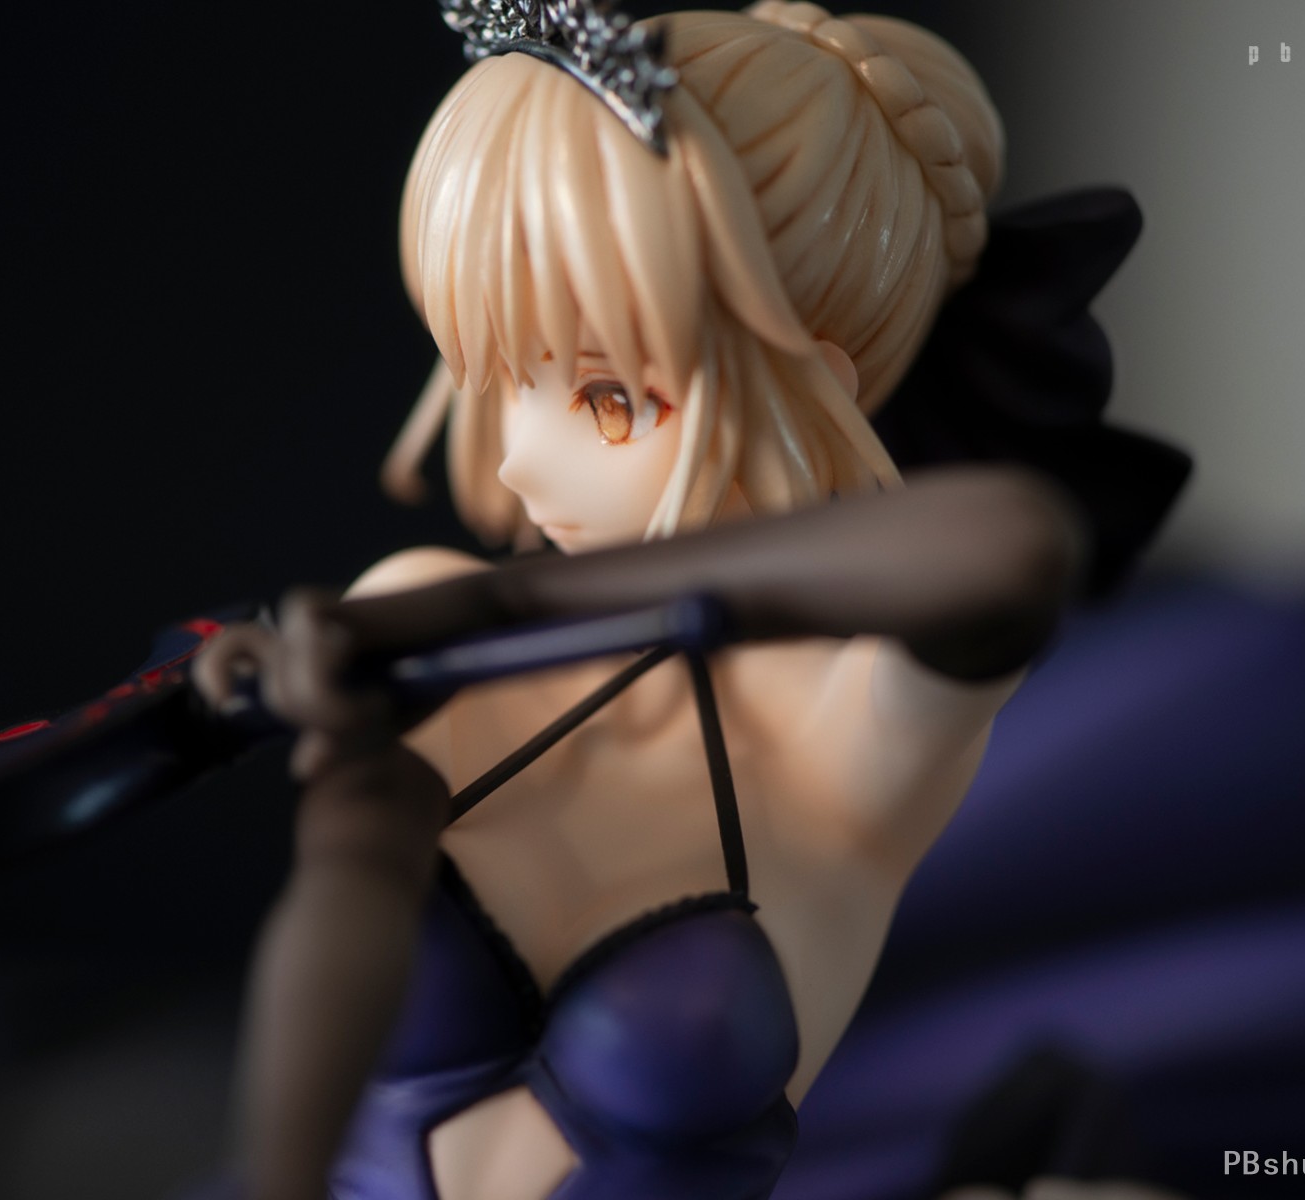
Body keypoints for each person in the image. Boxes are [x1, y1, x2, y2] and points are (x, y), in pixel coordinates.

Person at [194, 5, 1091, 1198]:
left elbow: (1010, 549)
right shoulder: (411, 606)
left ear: (807, 385)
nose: (516, 461)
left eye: (607, 398)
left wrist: (501, 611)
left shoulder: (850, 732)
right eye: (495, 376)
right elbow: (349, 881)